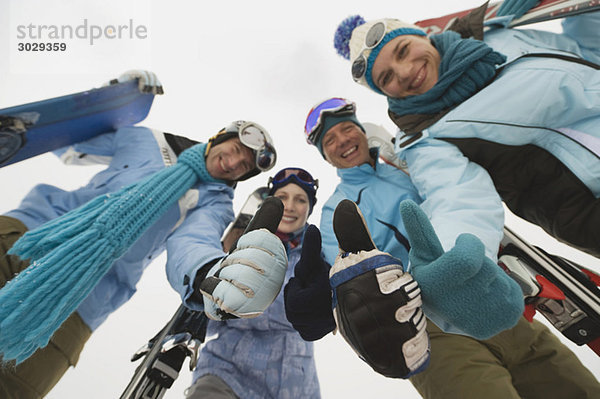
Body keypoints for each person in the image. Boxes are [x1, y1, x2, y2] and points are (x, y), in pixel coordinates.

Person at [284, 97, 600, 398]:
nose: (341, 140)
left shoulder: (406, 162)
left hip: (488, 295)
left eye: (347, 128)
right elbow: (341, 266)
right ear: (327, 157)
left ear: (362, 129)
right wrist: (323, 299)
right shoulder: (337, 207)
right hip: (424, 325)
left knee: (578, 387)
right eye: (330, 141)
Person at [0, 72, 282, 399]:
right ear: (219, 138)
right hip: (30, 233)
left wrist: (209, 272)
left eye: (244, 166)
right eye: (234, 149)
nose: (233, 163)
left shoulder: (213, 201)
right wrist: (111, 97)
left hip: (80, 299)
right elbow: (71, 139)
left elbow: (194, 243)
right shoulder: (147, 140)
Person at [332, 3, 600, 263]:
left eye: (403, 51)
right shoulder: (426, 140)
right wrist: (451, 264)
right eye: (386, 78)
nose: (404, 72)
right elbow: (457, 203)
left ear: (422, 36)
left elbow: (587, 49)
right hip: (589, 204)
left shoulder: (496, 36)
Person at [185, 167, 322, 399]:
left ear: (309, 209)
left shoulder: (316, 257)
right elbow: (212, 323)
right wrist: (216, 301)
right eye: (282, 198)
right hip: (226, 375)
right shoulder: (241, 250)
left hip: (296, 386)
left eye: (300, 200)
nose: (289, 206)